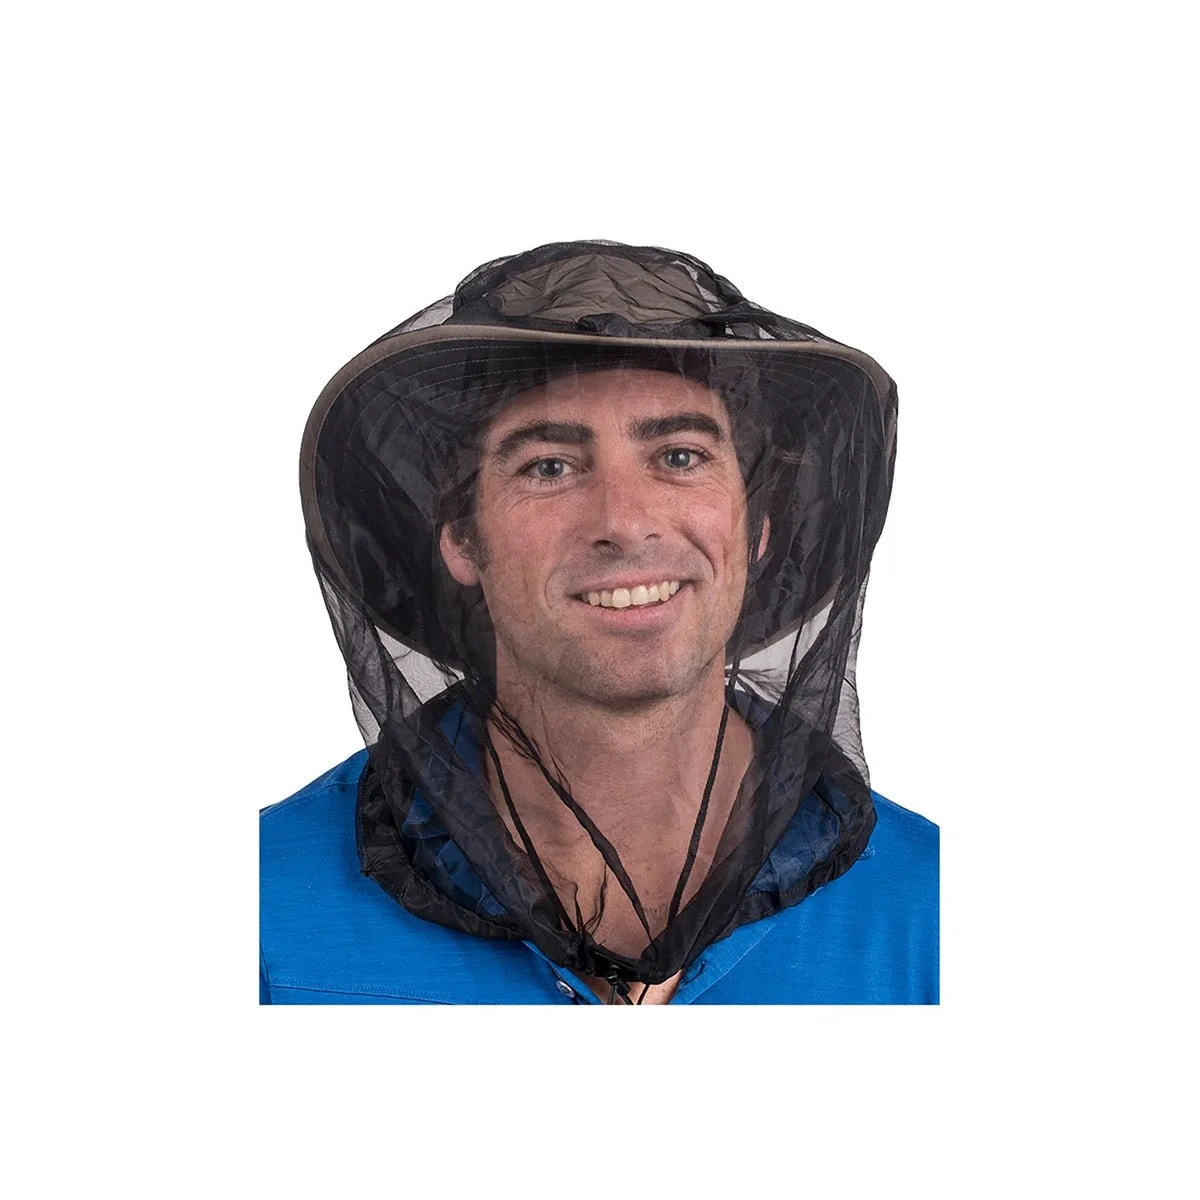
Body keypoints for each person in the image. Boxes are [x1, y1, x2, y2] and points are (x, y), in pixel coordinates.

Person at [260, 240, 938, 1004]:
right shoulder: (265, 911)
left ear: (757, 530)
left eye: (680, 457)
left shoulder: (935, 913)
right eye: (549, 466)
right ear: (462, 540)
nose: (623, 521)